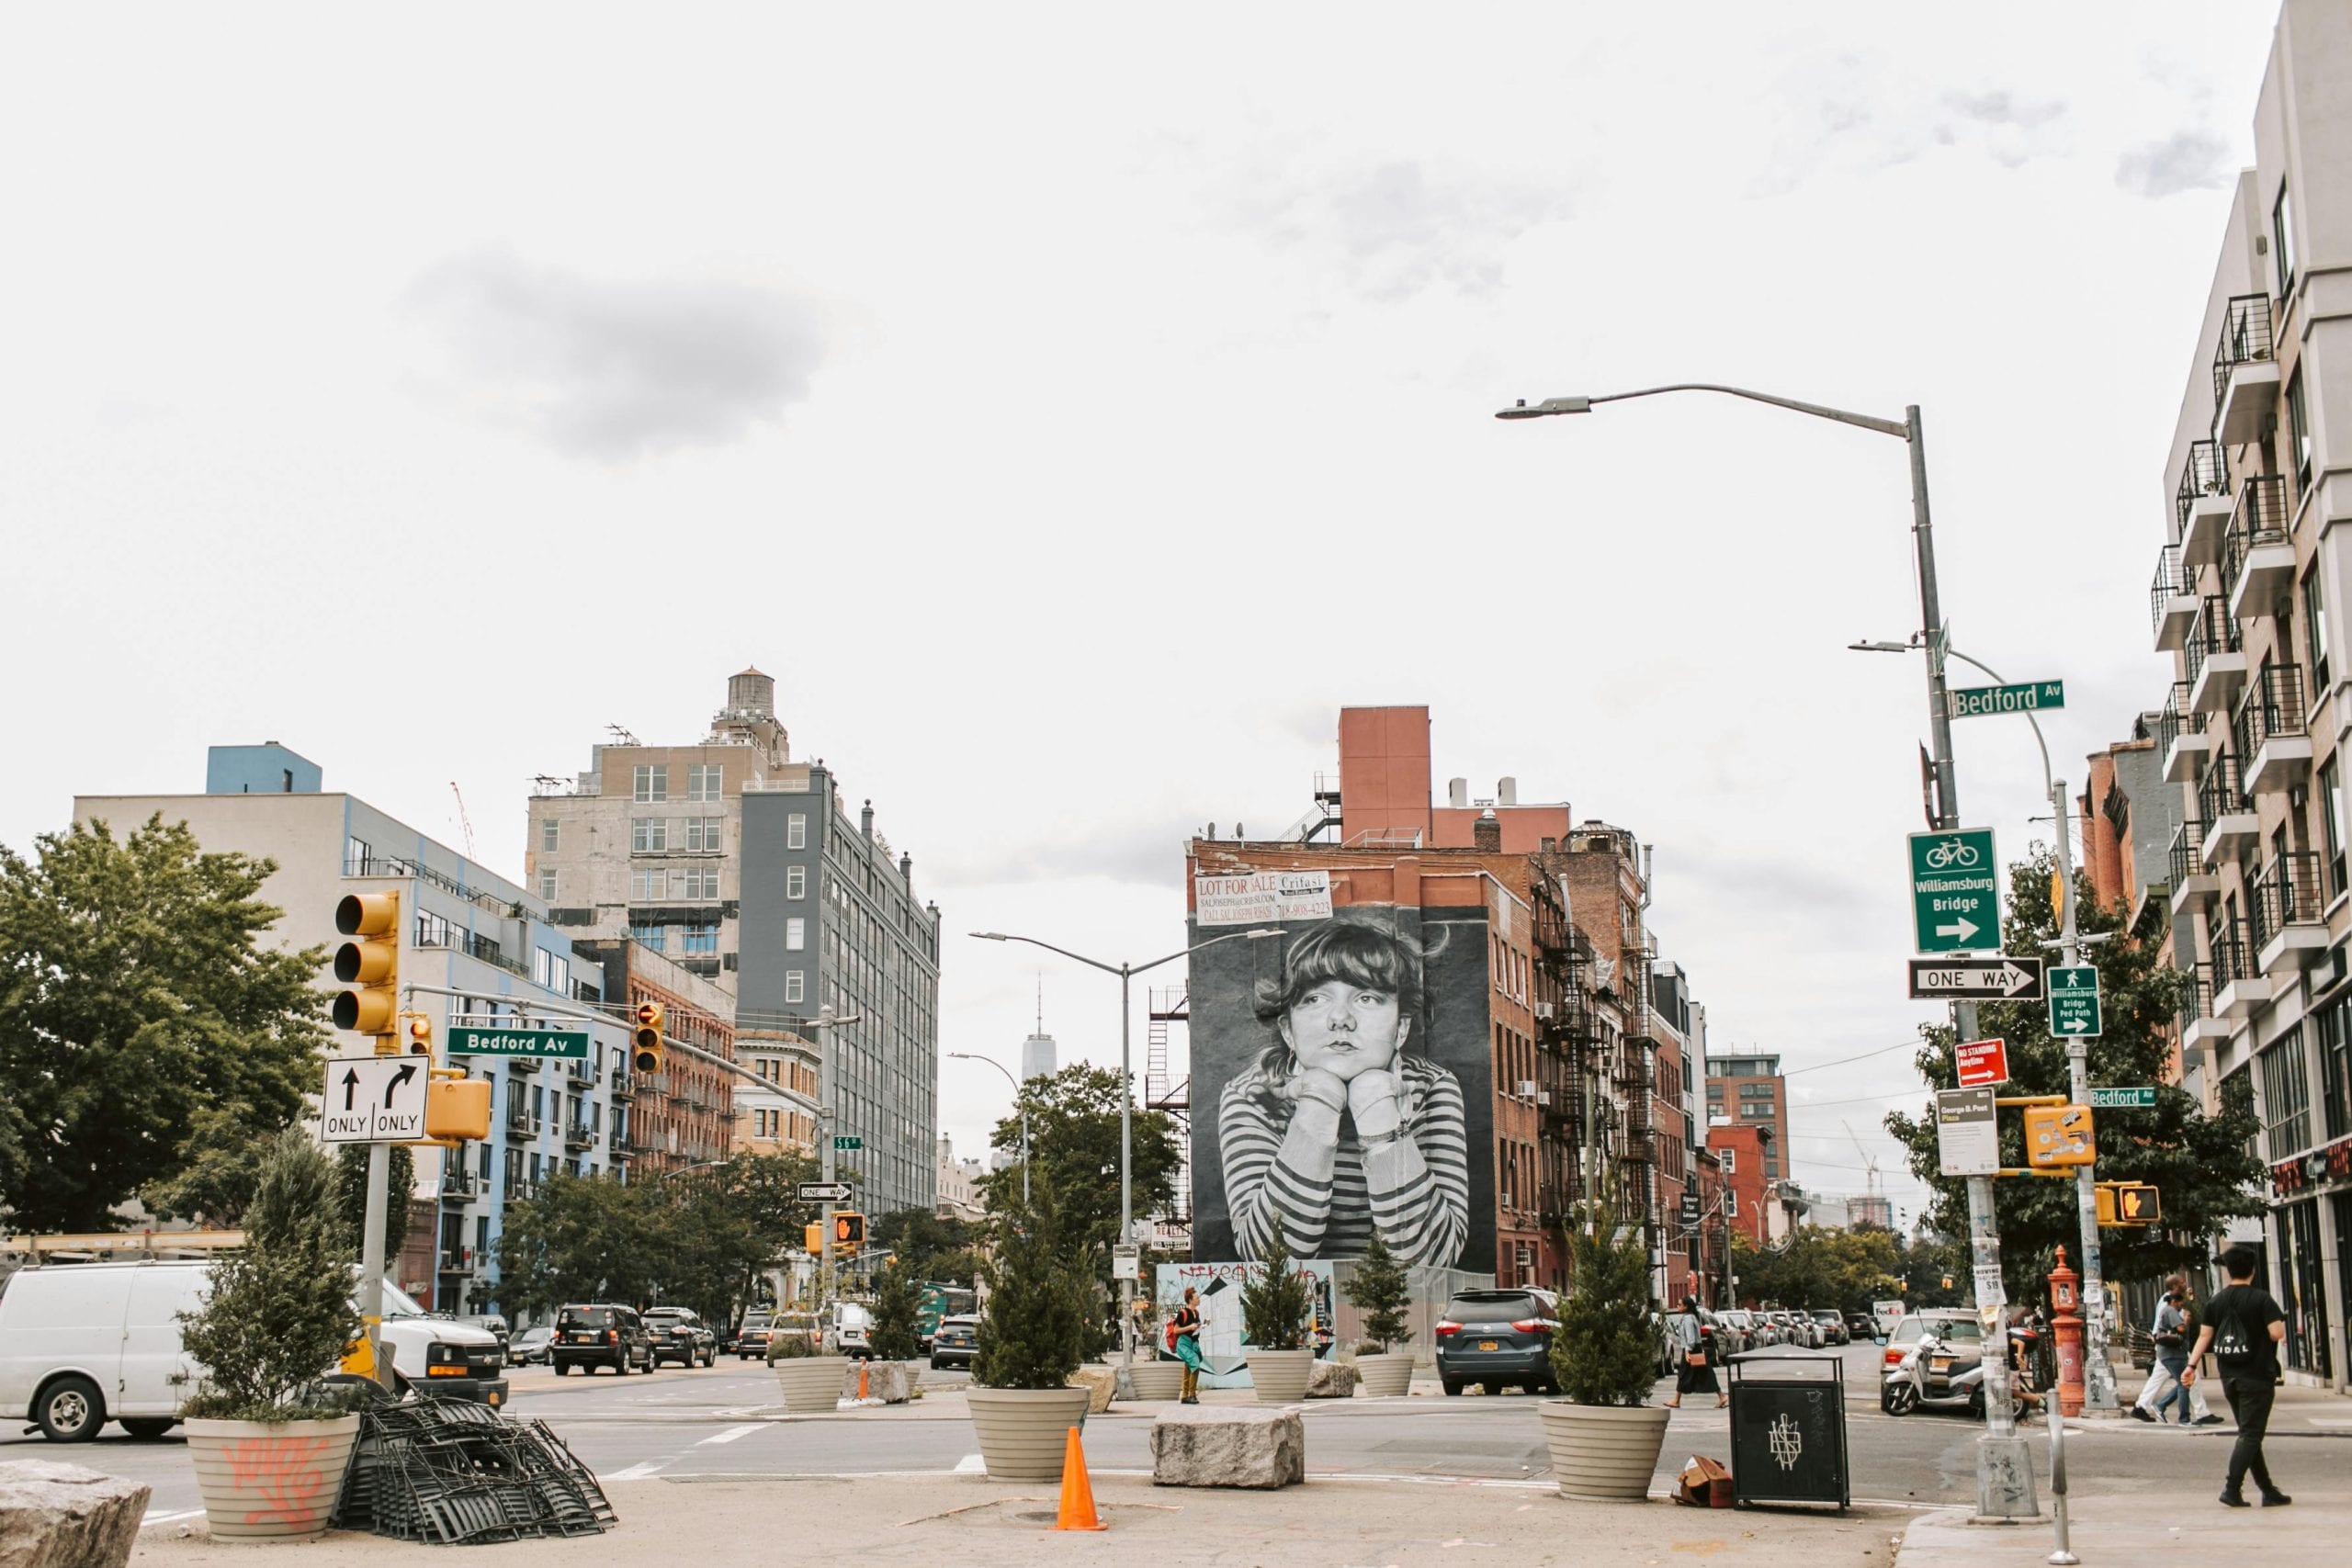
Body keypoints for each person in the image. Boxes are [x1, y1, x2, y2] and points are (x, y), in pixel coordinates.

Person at [1219, 913, 1471, 1268]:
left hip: (1400, 1314)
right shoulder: (1252, 1096)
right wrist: (1318, 1105)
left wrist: (1379, 1115)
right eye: (1315, 999)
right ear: (1288, 1030)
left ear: (1401, 1029)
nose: (1340, 1019)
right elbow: (1269, 1259)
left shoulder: (1431, 1088)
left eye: (1366, 998)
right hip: (1295, 1318)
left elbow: (1431, 1260)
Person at [2182, 1247, 2290, 1507]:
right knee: (2251, 1435)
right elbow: (2276, 1333)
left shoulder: (2216, 1302)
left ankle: (2267, 1490)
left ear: (2229, 1270)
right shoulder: (2262, 1299)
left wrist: (2191, 1366)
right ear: (2252, 1270)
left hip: (2229, 1376)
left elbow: (2205, 1336)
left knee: (2248, 1434)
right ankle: (2232, 1488)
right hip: (2257, 1375)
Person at [2133, 1276, 2223, 1427]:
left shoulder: (2170, 1300)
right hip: (2172, 1346)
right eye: (2181, 1282)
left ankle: (2141, 1406)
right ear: (2174, 1286)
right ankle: (2196, 1413)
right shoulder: (2168, 1303)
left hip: (2169, 1346)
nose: (2185, 1283)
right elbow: (2166, 1325)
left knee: (2160, 1378)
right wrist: (2185, 1322)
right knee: (2190, 1377)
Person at [1662, 1294, 1725, 1410]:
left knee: (1684, 1373)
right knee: (1703, 1372)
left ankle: (1676, 1400)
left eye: (1679, 1304)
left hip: (1691, 1350)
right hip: (1695, 1348)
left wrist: (1687, 1351)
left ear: (1686, 1306)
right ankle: (1721, 1396)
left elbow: (1690, 1338)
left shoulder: (1688, 1319)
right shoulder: (1692, 1317)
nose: (1677, 1306)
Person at [1170, 1286, 1205, 1404]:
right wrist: (1190, 1327)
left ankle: (1184, 1395)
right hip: (1183, 1343)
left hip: (1192, 1343)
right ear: (1190, 1300)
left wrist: (1202, 1325)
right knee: (1194, 1362)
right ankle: (1192, 1394)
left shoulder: (1196, 1312)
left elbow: (1194, 1328)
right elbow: (1176, 1330)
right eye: (1197, 1297)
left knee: (1189, 1366)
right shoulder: (1183, 1313)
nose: (1199, 1299)